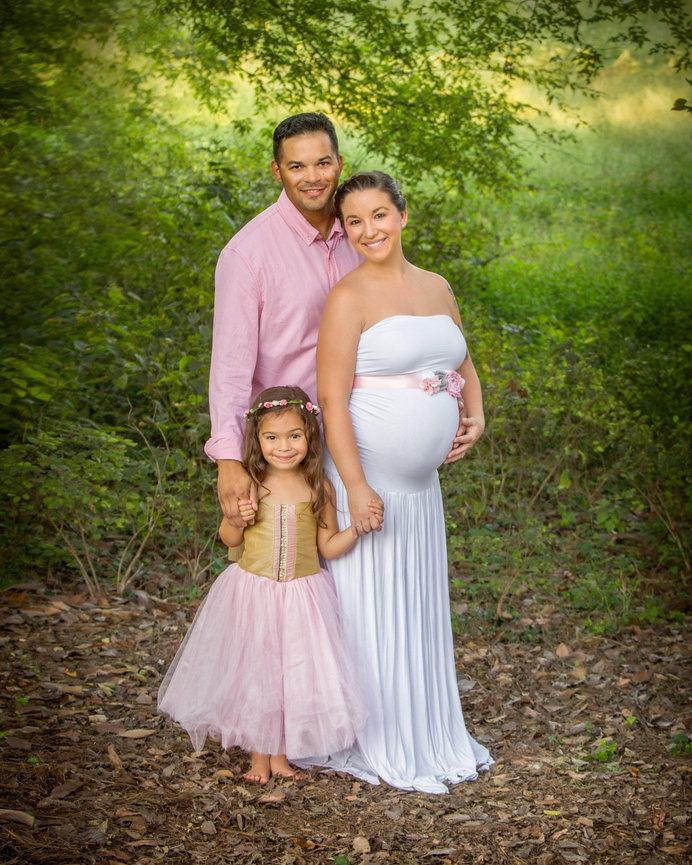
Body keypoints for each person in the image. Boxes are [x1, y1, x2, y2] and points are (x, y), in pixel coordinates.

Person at [308, 171, 493, 794]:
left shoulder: (437, 286)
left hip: (423, 491)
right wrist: (356, 488)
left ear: (403, 215)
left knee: (416, 608)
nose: (368, 231)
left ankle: (428, 729)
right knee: (372, 613)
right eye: (354, 222)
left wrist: (477, 410)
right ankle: (380, 734)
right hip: (373, 483)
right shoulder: (347, 297)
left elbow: (458, 358)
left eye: (379, 215)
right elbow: (331, 401)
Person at [159, 386, 377, 784]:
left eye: (294, 435)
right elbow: (230, 541)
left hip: (303, 596)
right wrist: (236, 520)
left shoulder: (319, 487)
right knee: (257, 673)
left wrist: (357, 530)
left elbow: (327, 545)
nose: (284, 446)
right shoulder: (251, 484)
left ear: (310, 435)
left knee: (291, 673)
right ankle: (259, 758)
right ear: (257, 441)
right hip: (253, 592)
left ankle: (280, 756)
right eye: (272, 437)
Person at [205, 112, 360, 528]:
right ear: (277, 171)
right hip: (289, 456)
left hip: (363, 437)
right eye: (297, 166)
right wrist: (229, 460)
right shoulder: (247, 255)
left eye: (323, 163)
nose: (313, 177)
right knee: (293, 579)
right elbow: (230, 367)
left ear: (339, 164)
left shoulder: (362, 235)